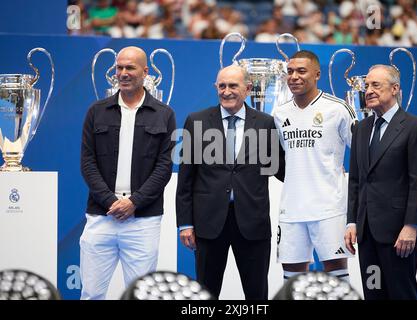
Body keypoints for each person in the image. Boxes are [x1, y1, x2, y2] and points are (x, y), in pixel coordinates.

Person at [176, 65, 283, 300]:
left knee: (257, 295)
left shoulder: (266, 123)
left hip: (253, 223)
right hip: (208, 224)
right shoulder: (197, 121)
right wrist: (185, 223)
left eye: (233, 86)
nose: (226, 91)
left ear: (247, 89)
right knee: (205, 294)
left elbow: (281, 169)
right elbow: (186, 178)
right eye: (221, 86)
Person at [79, 46, 176, 300]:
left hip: (143, 221)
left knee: (141, 295)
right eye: (119, 68)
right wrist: (112, 202)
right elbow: (87, 163)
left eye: (129, 67)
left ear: (145, 72)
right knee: (91, 294)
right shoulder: (96, 111)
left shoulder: (165, 114)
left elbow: (164, 167)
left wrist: (134, 202)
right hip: (101, 216)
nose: (123, 73)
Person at [345, 65, 417, 300]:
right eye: (366, 86)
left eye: (376, 85)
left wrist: (411, 226)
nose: (369, 91)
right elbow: (356, 180)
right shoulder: (361, 129)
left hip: (398, 234)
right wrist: (352, 222)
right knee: (373, 294)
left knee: (401, 295)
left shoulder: (415, 127)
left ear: (395, 89)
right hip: (366, 234)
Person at [272, 50, 354, 282]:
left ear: (317, 74)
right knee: (292, 277)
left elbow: (361, 153)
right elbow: (278, 159)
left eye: (301, 71)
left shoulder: (338, 109)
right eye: (289, 71)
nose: (294, 77)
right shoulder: (279, 113)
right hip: (292, 209)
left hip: (329, 207)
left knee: (337, 274)